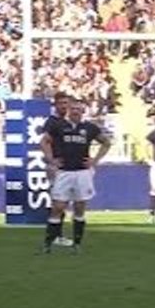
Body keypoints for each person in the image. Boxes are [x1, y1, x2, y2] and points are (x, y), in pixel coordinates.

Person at [38, 98, 111, 254]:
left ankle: (77, 244)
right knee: (58, 207)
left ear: (83, 111)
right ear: (68, 111)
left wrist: (95, 160)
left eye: (78, 108)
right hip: (63, 171)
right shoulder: (58, 126)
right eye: (73, 108)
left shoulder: (90, 128)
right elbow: (44, 142)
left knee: (80, 207)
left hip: (82, 172)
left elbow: (106, 142)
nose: (75, 111)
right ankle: (48, 243)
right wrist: (51, 159)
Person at [39, 93, 75, 251]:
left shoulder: (67, 123)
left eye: (66, 103)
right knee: (58, 203)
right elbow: (44, 141)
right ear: (55, 105)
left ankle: (56, 235)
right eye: (61, 103)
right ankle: (55, 236)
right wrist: (51, 160)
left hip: (68, 167)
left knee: (63, 202)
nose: (64, 106)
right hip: (57, 167)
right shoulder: (52, 122)